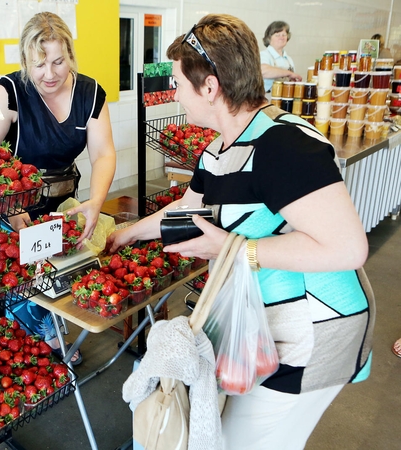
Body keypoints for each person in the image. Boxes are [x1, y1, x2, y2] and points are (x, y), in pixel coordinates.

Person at [107, 14, 374, 449]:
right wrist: (129, 234)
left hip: (315, 330)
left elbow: (347, 248)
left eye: (178, 83)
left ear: (210, 87)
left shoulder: (284, 145)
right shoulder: (218, 150)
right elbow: (186, 206)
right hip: (264, 326)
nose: (174, 94)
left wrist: (235, 248)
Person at [0, 12, 116, 364]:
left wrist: (96, 202)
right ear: (25, 61)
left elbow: (103, 153)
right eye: (39, 64)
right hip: (15, 205)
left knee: (58, 274)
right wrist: (9, 207)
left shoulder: (90, 92)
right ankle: (16, 343)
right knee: (20, 279)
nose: (49, 73)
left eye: (58, 61)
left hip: (65, 202)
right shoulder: (8, 92)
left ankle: (46, 331)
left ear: (70, 55)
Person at [259, 21, 302, 93]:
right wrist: (289, 73)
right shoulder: (264, 55)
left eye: (284, 35)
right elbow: (263, 71)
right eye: (277, 35)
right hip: (267, 100)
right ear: (269, 38)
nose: (281, 37)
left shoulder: (288, 59)